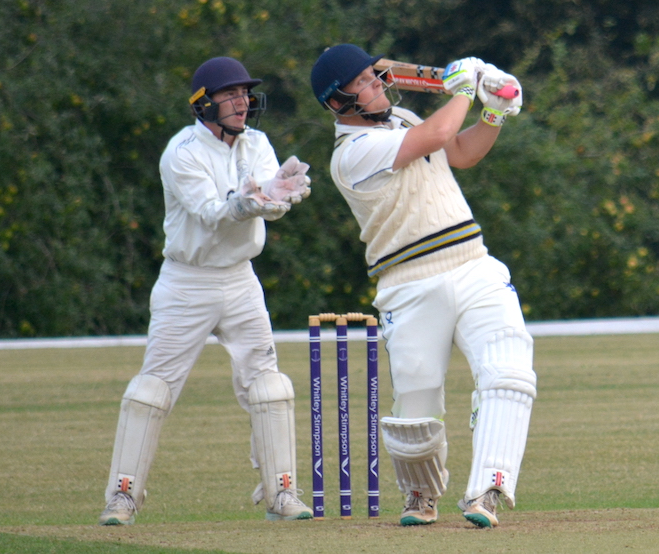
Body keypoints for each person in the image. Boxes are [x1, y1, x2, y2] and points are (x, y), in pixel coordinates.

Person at [309, 45, 537, 528]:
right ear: (336, 102)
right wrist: (466, 87)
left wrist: (494, 111)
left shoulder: (404, 118)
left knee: (509, 372)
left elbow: (461, 152)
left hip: (472, 263)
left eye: (374, 76)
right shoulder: (351, 153)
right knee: (416, 406)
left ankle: (489, 489)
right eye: (362, 83)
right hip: (408, 284)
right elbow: (438, 133)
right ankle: (421, 494)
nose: (376, 85)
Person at [99, 57, 314, 525]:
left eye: (244, 94)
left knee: (268, 385)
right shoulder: (182, 153)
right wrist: (249, 201)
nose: (242, 102)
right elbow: (211, 213)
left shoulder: (257, 143)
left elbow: (270, 203)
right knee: (152, 390)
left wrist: (276, 195)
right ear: (204, 104)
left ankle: (281, 493)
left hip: (240, 280)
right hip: (187, 283)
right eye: (230, 94)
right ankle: (122, 497)